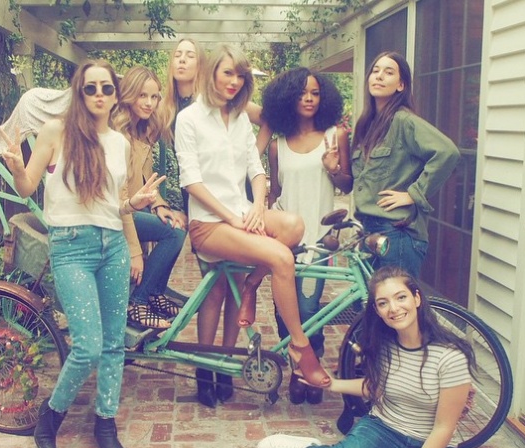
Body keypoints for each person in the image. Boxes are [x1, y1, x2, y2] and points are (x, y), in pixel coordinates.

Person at [0, 59, 165, 448]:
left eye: (106, 88)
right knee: (88, 345)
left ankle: (105, 424)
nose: (99, 95)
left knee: (113, 344)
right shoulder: (56, 131)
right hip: (71, 246)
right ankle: (52, 414)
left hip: (112, 245)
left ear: (115, 94)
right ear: (79, 91)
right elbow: (27, 186)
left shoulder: (119, 143)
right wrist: (18, 167)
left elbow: (114, 204)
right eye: (90, 88)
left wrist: (135, 203)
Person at [174, 44, 332, 397]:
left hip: (242, 213)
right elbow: (191, 181)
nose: (235, 81)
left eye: (240, 75)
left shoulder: (240, 118)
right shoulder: (190, 118)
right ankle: (298, 347)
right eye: (228, 73)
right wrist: (232, 218)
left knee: (294, 226)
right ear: (212, 73)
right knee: (276, 260)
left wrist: (258, 207)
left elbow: (256, 170)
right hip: (209, 223)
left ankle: (230, 355)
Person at [256, 266, 476, 448]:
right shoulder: (384, 342)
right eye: (383, 303)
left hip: (433, 445)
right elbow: (377, 388)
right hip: (384, 432)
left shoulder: (451, 356)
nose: (394, 308)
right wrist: (332, 384)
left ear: (416, 298)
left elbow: (443, 428)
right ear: (377, 311)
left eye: (401, 297)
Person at [261, 68, 353, 405]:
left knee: (310, 309)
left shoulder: (335, 136)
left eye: (315, 92)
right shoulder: (277, 145)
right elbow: (275, 193)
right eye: (302, 93)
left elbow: (347, 185)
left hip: (319, 239)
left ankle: (310, 368)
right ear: (288, 99)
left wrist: (333, 169)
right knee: (283, 310)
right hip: (284, 241)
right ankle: (297, 371)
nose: (309, 98)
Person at [350, 51, 460, 277]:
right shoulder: (367, 125)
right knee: (370, 298)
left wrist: (413, 194)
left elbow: (447, 152)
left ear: (401, 85)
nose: (379, 76)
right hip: (369, 230)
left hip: (396, 233)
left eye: (388, 72)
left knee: (398, 299)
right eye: (375, 71)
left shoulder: (404, 120)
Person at [112, 65, 187, 329]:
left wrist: (159, 205)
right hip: (115, 212)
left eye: (154, 97)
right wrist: (135, 252)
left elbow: (145, 180)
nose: (149, 103)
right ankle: (140, 301)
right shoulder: (117, 134)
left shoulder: (142, 130)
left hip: (134, 208)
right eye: (143, 95)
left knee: (174, 225)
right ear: (129, 94)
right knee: (173, 234)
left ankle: (154, 293)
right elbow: (121, 194)